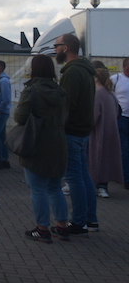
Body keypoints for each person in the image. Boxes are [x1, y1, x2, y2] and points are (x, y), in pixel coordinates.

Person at [16, 55, 70, 242]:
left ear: (34, 69)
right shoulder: (61, 91)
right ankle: (62, 226)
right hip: (58, 142)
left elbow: (20, 117)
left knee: (38, 189)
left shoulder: (32, 91)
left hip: (36, 142)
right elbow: (66, 117)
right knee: (55, 188)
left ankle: (42, 229)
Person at [54, 33, 96, 234]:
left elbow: (66, 104)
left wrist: (58, 126)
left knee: (74, 178)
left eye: (57, 46)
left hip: (72, 130)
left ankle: (79, 222)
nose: (55, 50)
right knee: (83, 176)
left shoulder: (72, 72)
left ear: (66, 48)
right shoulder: (85, 69)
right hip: (83, 130)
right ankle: (91, 219)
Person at [89, 62, 122, 199]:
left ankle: (96, 186)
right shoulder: (111, 94)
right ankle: (103, 186)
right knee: (107, 160)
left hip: (98, 133)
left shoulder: (97, 94)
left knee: (96, 159)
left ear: (96, 78)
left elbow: (93, 117)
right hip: (112, 131)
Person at [112, 58, 129, 191]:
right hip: (122, 117)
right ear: (124, 66)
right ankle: (126, 178)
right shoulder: (116, 79)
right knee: (124, 147)